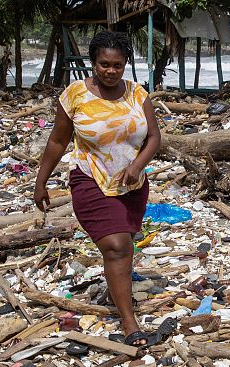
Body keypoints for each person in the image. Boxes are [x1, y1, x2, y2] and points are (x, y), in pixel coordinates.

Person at [34, 31, 161, 342]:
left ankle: (118, 294)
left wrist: (136, 166)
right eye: (104, 64)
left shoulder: (137, 94)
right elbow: (58, 141)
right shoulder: (76, 95)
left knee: (122, 248)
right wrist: (41, 182)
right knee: (117, 247)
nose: (110, 71)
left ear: (125, 65)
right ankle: (129, 323)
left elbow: (154, 138)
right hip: (90, 179)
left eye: (117, 65)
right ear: (93, 63)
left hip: (132, 185)